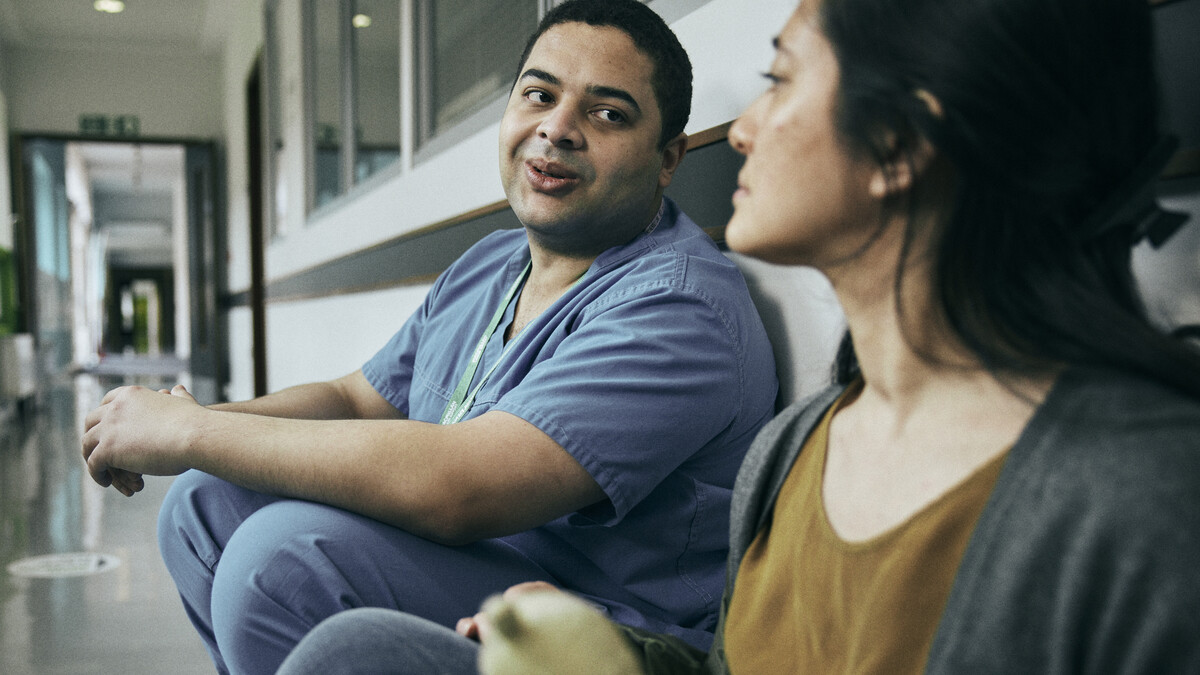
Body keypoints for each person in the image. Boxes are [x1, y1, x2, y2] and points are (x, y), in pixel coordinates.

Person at [277, 0, 1200, 672]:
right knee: (352, 650)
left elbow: (457, 482)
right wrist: (621, 657)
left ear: (897, 146)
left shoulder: (1138, 505)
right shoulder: (800, 448)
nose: (745, 130)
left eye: (780, 80)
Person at [80, 1, 779, 673]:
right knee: (201, 502)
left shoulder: (680, 305)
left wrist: (191, 432)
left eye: (607, 113)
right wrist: (183, 423)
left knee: (282, 560)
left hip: (586, 619)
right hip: (481, 564)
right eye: (539, 96)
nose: (558, 128)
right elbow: (357, 398)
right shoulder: (493, 262)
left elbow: (462, 485)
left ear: (667, 158)